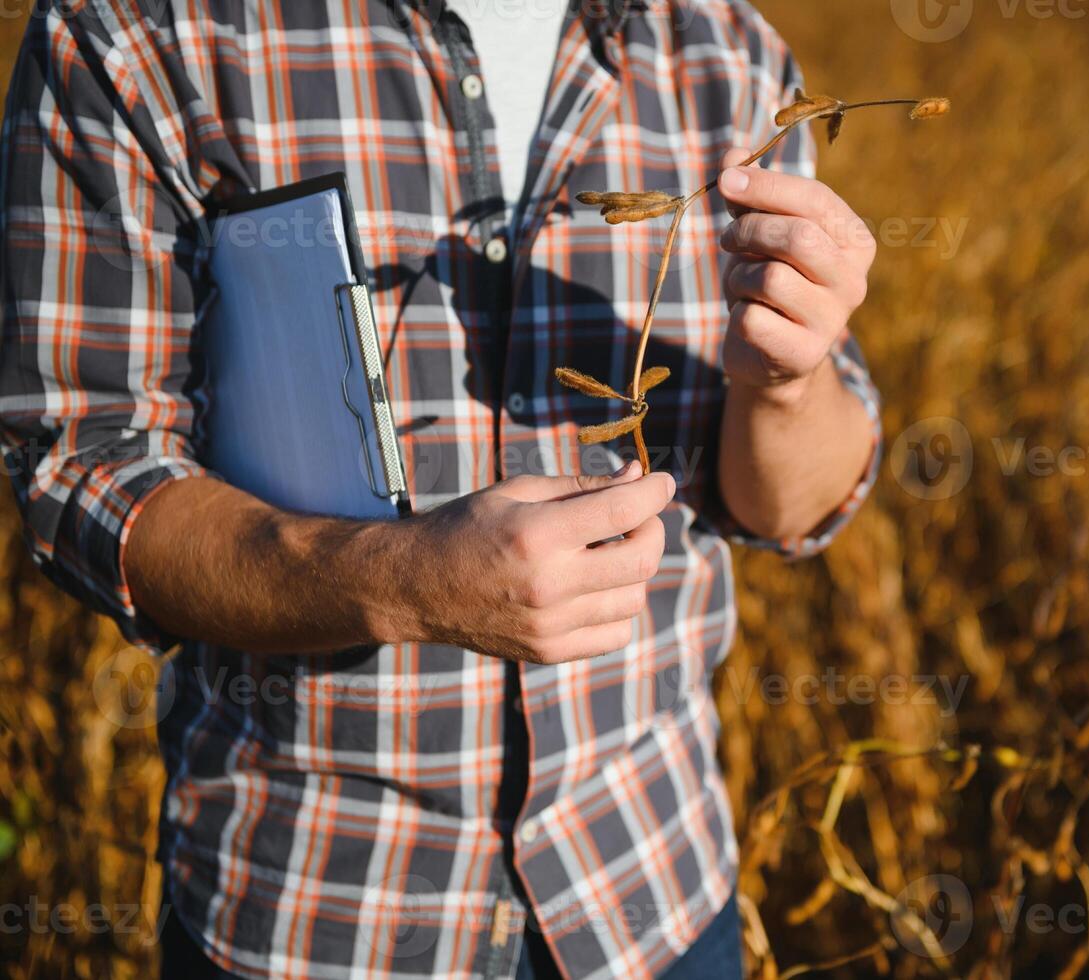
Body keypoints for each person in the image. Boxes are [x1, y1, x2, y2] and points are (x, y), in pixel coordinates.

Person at [0, 1, 881, 976]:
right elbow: (83, 462)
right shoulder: (138, 28)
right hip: (317, 914)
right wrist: (407, 581)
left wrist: (787, 381)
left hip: (654, 895)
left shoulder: (727, 50)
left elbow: (791, 507)